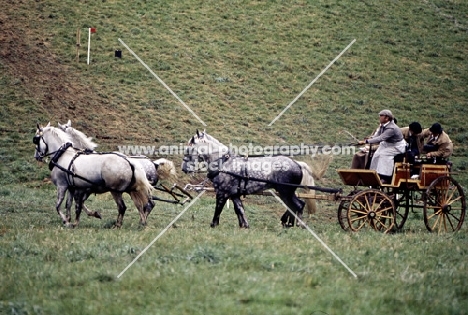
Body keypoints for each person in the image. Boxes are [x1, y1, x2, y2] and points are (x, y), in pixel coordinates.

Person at [358, 109, 406, 183]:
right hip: (387, 144)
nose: (379, 117)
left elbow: (381, 138)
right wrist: (369, 138)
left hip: (397, 146)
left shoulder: (391, 128)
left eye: (381, 116)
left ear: (387, 118)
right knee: (376, 154)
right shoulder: (383, 125)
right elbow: (377, 135)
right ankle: (374, 173)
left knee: (384, 154)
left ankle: (385, 177)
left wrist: (366, 142)